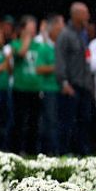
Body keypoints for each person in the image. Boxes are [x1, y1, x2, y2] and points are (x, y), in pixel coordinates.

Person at [55, 2, 95, 155]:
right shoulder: (65, 35)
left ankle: (82, 152)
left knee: (84, 121)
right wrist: (63, 82)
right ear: (76, 15)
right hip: (71, 85)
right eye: (85, 13)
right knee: (68, 122)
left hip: (84, 86)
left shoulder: (84, 34)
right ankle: (64, 152)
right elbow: (60, 60)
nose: (88, 16)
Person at [10, 15, 42, 155]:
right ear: (23, 29)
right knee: (19, 120)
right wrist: (26, 40)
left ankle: (32, 150)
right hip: (20, 88)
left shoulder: (39, 45)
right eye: (31, 26)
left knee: (34, 121)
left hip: (35, 88)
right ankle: (17, 149)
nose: (34, 29)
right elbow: (21, 54)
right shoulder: (15, 44)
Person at [37, 14, 63, 155]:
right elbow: (39, 68)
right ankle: (51, 151)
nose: (62, 31)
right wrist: (56, 67)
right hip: (48, 89)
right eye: (59, 28)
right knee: (50, 121)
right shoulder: (44, 48)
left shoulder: (60, 47)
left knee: (59, 121)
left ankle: (58, 148)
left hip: (61, 88)